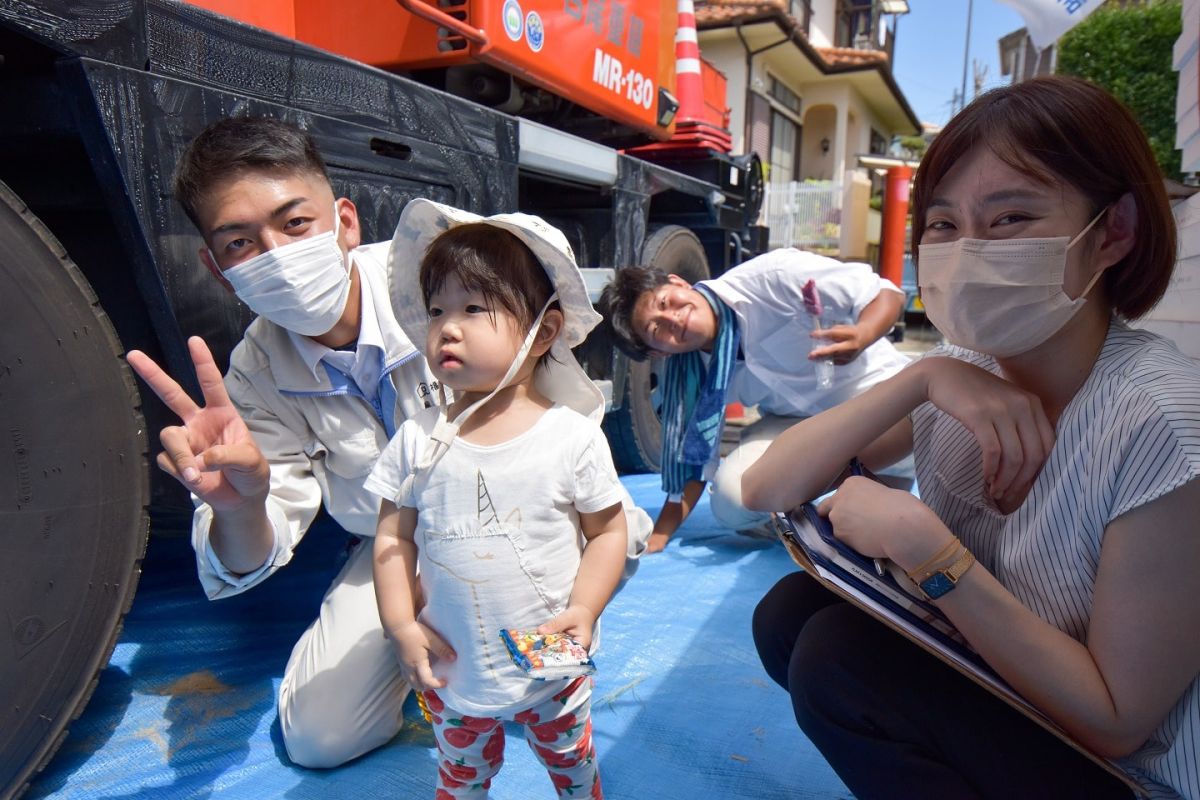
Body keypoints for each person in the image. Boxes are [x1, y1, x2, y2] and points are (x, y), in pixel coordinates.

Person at [743, 75, 1199, 800]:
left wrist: (929, 551)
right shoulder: (964, 377)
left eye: (1011, 218)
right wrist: (919, 381)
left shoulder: (1164, 425)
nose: (969, 250)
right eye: (945, 225)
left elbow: (1119, 722)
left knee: (839, 660)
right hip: (1016, 697)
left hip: (1127, 774)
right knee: (788, 615)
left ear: (1114, 232)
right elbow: (765, 487)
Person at [126, 116, 438, 768]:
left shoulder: (448, 278)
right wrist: (240, 506)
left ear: (345, 223)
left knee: (530, 681)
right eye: (241, 242)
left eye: (295, 225)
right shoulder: (255, 373)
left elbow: (560, 420)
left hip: (519, 523)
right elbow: (252, 551)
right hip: (393, 549)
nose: (276, 256)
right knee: (319, 738)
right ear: (218, 270)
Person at [364, 199, 627, 799]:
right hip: (454, 665)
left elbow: (608, 533)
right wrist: (399, 621)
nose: (446, 327)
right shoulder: (417, 439)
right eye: (436, 311)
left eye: (473, 308)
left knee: (571, 763)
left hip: (551, 664)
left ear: (545, 333)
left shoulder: (572, 438)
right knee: (460, 774)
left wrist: (585, 609)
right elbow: (391, 538)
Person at [599, 250, 909, 552]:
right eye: (656, 329)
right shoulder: (689, 375)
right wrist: (661, 536)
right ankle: (805, 533)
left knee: (887, 521)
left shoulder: (774, 276)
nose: (672, 318)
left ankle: (843, 494)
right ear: (658, 353)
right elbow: (692, 463)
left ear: (678, 282)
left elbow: (887, 293)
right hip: (796, 424)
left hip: (880, 405)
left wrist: (863, 334)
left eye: (664, 302)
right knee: (732, 500)